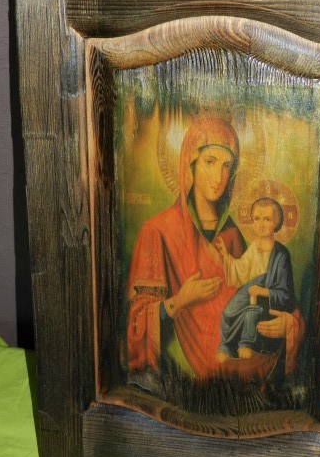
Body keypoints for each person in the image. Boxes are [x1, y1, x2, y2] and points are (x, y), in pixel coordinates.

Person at [126, 117, 304, 379]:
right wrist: (179, 302)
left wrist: (290, 323)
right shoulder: (157, 231)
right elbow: (136, 323)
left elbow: (257, 285)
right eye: (210, 162)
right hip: (185, 374)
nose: (219, 177)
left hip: (243, 360)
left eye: (227, 166)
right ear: (190, 165)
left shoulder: (232, 233)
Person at [215, 198, 297, 361]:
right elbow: (242, 270)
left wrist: (264, 291)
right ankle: (227, 346)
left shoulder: (281, 254)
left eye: (267, 219)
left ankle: (247, 345)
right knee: (227, 312)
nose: (261, 224)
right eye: (257, 219)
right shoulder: (254, 247)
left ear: (276, 222)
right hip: (249, 293)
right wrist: (226, 256)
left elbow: (286, 293)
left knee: (251, 313)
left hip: (266, 301)